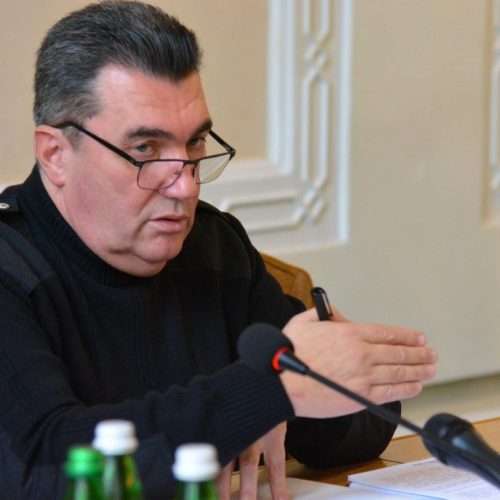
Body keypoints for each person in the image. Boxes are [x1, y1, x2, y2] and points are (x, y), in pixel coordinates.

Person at [0, 2, 437, 498]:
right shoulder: (10, 269)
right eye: (145, 149)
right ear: (55, 154)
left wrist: (319, 388)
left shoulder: (213, 246)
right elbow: (38, 468)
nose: (186, 185)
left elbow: (362, 429)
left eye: (194, 145)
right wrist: (261, 398)